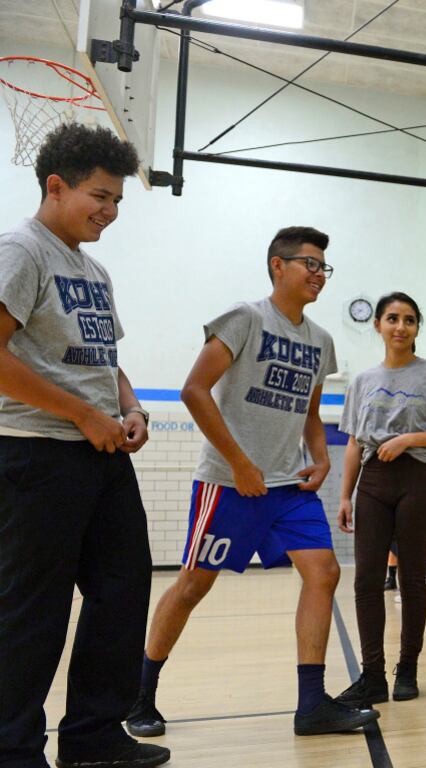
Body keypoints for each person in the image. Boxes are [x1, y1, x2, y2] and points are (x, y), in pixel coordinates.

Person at [125, 227, 379, 738]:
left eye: (323, 267)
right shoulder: (244, 319)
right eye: (309, 263)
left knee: (324, 573)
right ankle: (140, 696)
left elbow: (311, 411)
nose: (318, 274)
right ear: (277, 266)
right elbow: (194, 391)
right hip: (228, 482)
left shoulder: (321, 342)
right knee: (194, 585)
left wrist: (321, 458)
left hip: (290, 487)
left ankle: (311, 705)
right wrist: (239, 462)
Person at [0, 124, 170, 768]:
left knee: (123, 588)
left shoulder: (91, 270)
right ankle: (11, 749)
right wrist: (79, 413)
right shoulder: (22, 250)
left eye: (118, 199)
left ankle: (95, 730)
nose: (110, 210)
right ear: (56, 186)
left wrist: (129, 407)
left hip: (100, 452)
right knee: (32, 606)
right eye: (100, 195)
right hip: (37, 453)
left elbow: (106, 357)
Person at [334, 292, 426, 706]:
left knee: (410, 578)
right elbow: (353, 442)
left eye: (409, 319)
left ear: (417, 327)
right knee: (367, 579)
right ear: (378, 326)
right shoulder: (362, 382)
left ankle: (407, 667)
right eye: (392, 318)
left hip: (417, 479)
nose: (400, 326)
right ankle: (373, 676)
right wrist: (345, 495)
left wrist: (408, 439)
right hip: (373, 481)